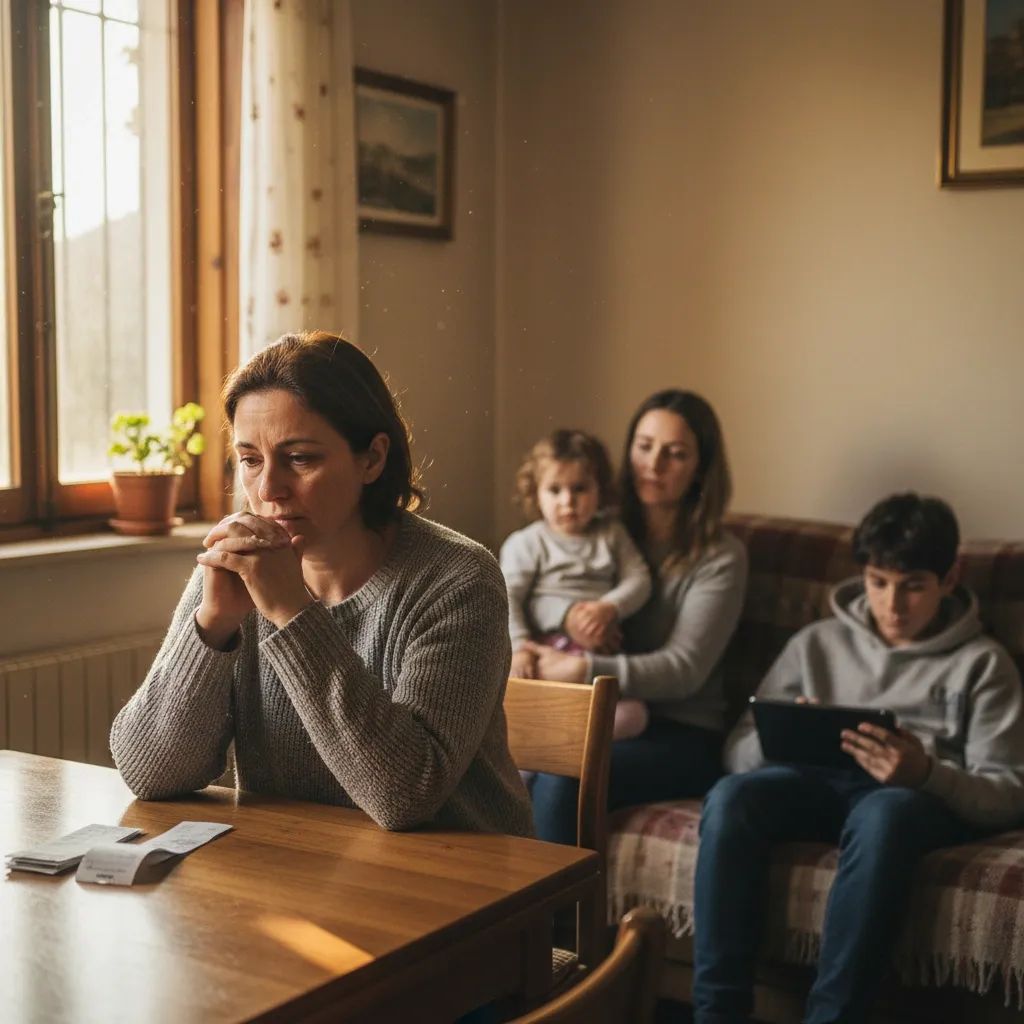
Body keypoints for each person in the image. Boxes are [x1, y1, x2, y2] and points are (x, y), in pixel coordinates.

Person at [110, 330, 533, 837]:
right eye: (250, 459)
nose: (268, 489)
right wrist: (213, 625)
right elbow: (148, 773)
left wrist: (293, 614)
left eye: (301, 458)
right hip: (302, 876)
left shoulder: (457, 579)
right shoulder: (238, 565)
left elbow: (406, 796)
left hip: (470, 887)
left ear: (372, 459)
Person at [693, 493, 1024, 1024]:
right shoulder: (816, 644)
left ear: (951, 576)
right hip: (814, 783)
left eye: (914, 585)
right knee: (732, 797)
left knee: (883, 813)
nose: (893, 605)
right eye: (878, 583)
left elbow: (1009, 791)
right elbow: (736, 750)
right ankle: (716, 1013)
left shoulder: (983, 664)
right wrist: (784, 737)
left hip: (911, 799)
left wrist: (926, 773)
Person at [525, 390, 748, 845]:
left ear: (701, 468)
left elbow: (684, 670)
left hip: (682, 733)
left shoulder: (720, 558)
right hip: (599, 713)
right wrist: (569, 617)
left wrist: (583, 668)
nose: (654, 464)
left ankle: (552, 917)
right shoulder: (599, 527)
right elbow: (533, 588)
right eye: (644, 446)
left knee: (567, 774)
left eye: (676, 454)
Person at [500, 429, 652, 740]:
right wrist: (519, 647)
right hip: (543, 656)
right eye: (554, 490)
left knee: (635, 715)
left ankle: (563, 740)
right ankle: (541, 750)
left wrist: (609, 607)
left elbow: (639, 579)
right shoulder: (527, 543)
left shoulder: (611, 535)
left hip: (598, 660)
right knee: (508, 715)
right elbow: (506, 596)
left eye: (579, 488)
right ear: (535, 494)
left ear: (600, 491)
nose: (567, 501)